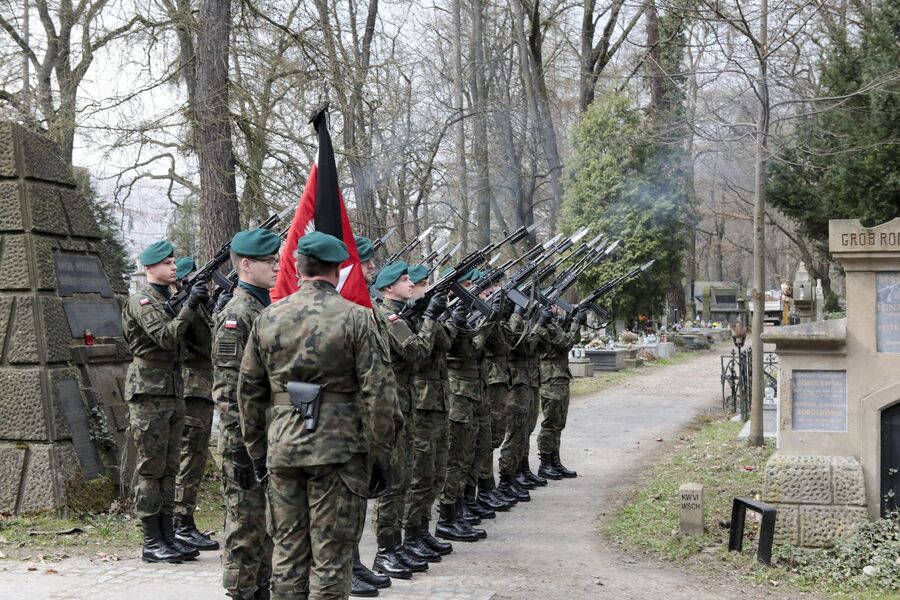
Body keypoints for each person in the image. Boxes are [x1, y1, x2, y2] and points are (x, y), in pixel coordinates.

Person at [238, 231, 396, 600]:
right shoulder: (358, 318)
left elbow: (249, 392)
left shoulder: (268, 317)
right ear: (338, 269)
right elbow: (381, 395)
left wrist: (258, 451)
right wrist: (382, 455)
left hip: (283, 449)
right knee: (332, 558)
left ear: (297, 267)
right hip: (339, 452)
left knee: (288, 555)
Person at [122, 240, 208, 563]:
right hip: (149, 394)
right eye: (167, 263)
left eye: (173, 262)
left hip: (172, 389)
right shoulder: (142, 301)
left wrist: (197, 307)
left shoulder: (169, 298)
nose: (173, 267)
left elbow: (200, 344)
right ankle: (151, 540)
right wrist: (189, 306)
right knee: (151, 468)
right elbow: (167, 337)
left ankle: (168, 535)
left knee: (170, 468)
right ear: (149, 268)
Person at [213, 229, 281, 599]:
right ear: (246, 265)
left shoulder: (264, 309)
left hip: (265, 436)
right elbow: (227, 390)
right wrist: (240, 447)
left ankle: (260, 590)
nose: (277, 266)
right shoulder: (237, 315)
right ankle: (242, 592)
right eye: (269, 261)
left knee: (264, 526)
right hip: (244, 441)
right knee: (244, 526)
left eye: (277, 259)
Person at [370, 261, 444, 578]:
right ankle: (385, 550)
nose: (411, 284)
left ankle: (398, 544)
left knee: (406, 477)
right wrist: (429, 319)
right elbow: (417, 353)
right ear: (388, 288)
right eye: (404, 280)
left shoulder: (401, 315)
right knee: (394, 481)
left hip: (407, 403)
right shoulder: (388, 317)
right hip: (393, 405)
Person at [401, 264, 456, 560]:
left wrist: (436, 315)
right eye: (419, 284)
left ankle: (423, 530)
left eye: (424, 284)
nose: (421, 289)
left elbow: (446, 343)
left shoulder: (424, 314)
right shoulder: (404, 318)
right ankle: (410, 534)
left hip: (438, 402)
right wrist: (427, 318)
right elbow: (418, 355)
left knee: (435, 473)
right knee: (419, 476)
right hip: (420, 403)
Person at [348, 235, 392, 597]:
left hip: (367, 417)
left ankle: (354, 562)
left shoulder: (368, 307)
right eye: (367, 262)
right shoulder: (350, 309)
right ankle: (345, 566)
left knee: (356, 498)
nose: (372, 268)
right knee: (344, 500)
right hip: (346, 418)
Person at [436, 269, 491, 542]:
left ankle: (459, 508)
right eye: (467, 284)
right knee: (455, 457)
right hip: (457, 392)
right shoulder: (442, 314)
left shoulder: (459, 311)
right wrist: (462, 323)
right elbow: (465, 349)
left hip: (472, 390)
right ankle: (448, 515)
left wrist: (490, 317)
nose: (472, 288)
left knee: (469, 453)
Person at [171, 256, 219, 552]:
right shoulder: (181, 305)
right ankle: (181, 522)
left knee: (196, 457)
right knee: (190, 456)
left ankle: (184, 520)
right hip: (192, 388)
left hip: (202, 386)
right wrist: (192, 303)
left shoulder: (196, 303)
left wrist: (213, 305)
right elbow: (186, 340)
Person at [537, 309, 586, 479]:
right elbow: (566, 343)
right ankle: (545, 464)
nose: (556, 310)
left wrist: (572, 323)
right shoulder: (545, 325)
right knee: (551, 423)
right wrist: (575, 323)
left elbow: (574, 339)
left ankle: (555, 461)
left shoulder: (553, 324)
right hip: (551, 378)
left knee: (559, 423)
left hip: (561, 376)